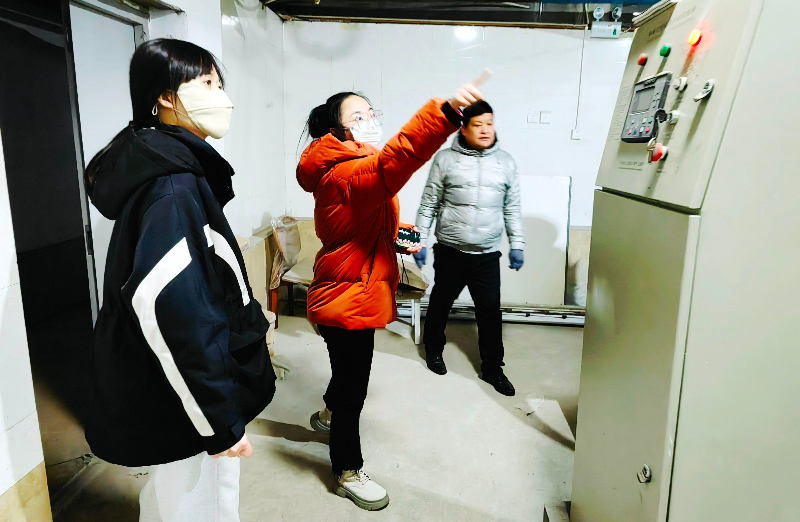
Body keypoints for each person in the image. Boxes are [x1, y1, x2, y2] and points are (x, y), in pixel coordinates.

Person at [83, 39, 276, 522]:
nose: (222, 96)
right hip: (186, 402)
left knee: (170, 501)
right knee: (200, 505)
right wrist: (219, 421)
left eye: (219, 83)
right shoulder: (174, 186)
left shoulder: (167, 166)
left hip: (177, 393)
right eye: (207, 82)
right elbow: (174, 312)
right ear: (166, 96)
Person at [297, 79, 486, 511]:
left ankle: (327, 415)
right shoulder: (349, 172)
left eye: (370, 112)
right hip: (346, 300)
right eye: (357, 116)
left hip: (348, 289)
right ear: (338, 131)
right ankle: (347, 471)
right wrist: (445, 113)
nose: (369, 120)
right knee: (354, 389)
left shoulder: (351, 167)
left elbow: (359, 222)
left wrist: (394, 237)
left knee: (346, 374)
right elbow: (396, 161)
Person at [414, 100, 524, 397]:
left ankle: (493, 368)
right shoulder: (445, 159)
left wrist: (517, 244)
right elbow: (429, 202)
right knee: (440, 303)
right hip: (450, 249)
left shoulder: (506, 162)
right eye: (478, 124)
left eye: (490, 123)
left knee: (490, 313)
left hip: (486, 254)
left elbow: (512, 207)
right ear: (463, 128)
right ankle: (433, 350)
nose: (486, 130)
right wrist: (419, 241)